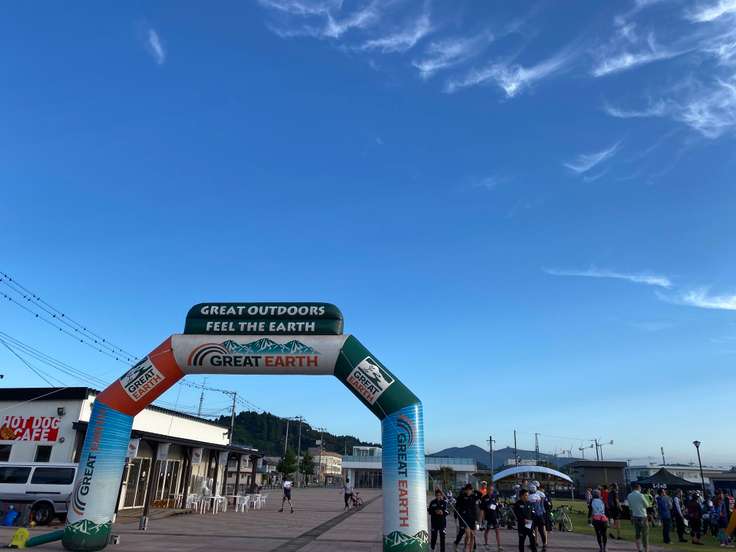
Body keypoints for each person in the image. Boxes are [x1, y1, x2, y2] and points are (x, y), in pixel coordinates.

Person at [454, 484, 479, 552]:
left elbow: (480, 494)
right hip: (464, 518)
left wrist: (474, 490)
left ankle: (470, 549)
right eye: (467, 490)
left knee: (472, 535)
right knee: (467, 534)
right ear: (465, 490)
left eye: (470, 490)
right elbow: (457, 506)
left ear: (471, 490)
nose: (468, 491)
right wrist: (455, 516)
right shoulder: (462, 497)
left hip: (472, 518)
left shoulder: (474, 496)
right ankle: (463, 546)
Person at [479, 482, 503, 551]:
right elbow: (482, 510)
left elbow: (497, 506)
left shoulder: (495, 497)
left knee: (497, 531)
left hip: (494, 517)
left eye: (492, 490)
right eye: (489, 489)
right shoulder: (484, 498)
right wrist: (481, 520)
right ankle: (486, 544)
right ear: (487, 489)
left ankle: (499, 546)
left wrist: (498, 515)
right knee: (487, 531)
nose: (490, 491)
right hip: (487, 517)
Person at [627, 483, 650, 552]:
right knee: (645, 534)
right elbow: (647, 505)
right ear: (639, 488)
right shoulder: (641, 495)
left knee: (637, 533)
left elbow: (630, 507)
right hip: (643, 516)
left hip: (635, 516)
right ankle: (645, 549)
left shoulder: (629, 495)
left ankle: (639, 549)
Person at [527, 484, 547, 551]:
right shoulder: (538, 496)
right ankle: (544, 544)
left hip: (531, 516)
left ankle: (533, 543)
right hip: (540, 515)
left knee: (530, 531)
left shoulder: (528, 497)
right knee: (541, 531)